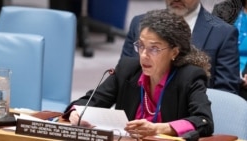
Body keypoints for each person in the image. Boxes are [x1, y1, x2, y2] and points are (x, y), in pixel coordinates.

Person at [63, 9, 214, 138]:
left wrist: (159, 128)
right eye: (141, 46)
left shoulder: (189, 77)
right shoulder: (127, 69)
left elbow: (203, 121)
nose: (143, 55)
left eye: (154, 49)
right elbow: (90, 101)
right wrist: (76, 113)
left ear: (174, 52)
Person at [121, 0, 240, 94]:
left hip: (193, 116)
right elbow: (123, 77)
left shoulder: (222, 33)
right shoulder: (139, 23)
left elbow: (226, 94)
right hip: (141, 112)